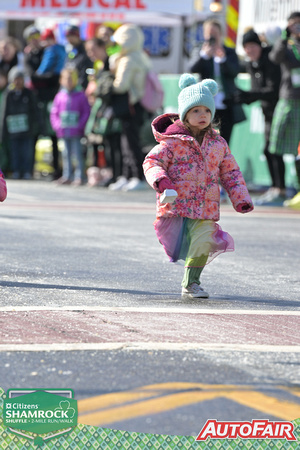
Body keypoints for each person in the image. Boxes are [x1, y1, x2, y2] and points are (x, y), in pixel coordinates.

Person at [143, 74, 253, 299]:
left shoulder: (218, 143)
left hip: (206, 207)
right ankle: (190, 278)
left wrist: (240, 198)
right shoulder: (171, 143)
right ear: (184, 114)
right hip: (177, 208)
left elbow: (230, 172)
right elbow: (152, 162)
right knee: (178, 247)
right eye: (195, 111)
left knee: (204, 241)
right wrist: (161, 182)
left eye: (206, 111)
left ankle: (191, 283)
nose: (202, 115)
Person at [234, 29, 283, 205]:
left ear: (259, 45)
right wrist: (245, 96)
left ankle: (280, 189)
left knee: (273, 149)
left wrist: (248, 95)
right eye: (246, 47)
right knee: (270, 150)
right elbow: (257, 91)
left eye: (253, 46)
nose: (250, 50)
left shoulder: (270, 60)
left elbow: (272, 90)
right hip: (267, 112)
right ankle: (277, 188)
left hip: (280, 109)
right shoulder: (251, 64)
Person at [108, 23, 151, 191]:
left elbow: (121, 85)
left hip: (130, 105)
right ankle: (127, 176)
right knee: (128, 140)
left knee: (130, 142)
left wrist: (108, 80)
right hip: (137, 106)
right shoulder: (141, 56)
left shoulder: (128, 59)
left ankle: (136, 176)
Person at [189, 18, 245, 144]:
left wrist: (223, 59)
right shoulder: (200, 50)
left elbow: (235, 72)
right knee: (204, 141)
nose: (212, 38)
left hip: (226, 104)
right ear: (205, 35)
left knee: (224, 142)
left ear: (220, 35)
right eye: (209, 34)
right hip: (206, 105)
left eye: (215, 34)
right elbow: (192, 68)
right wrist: (204, 56)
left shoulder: (229, 52)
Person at [269, 11, 300, 204]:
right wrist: (285, 37)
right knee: (276, 145)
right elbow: (275, 57)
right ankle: (279, 187)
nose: (297, 28)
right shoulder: (286, 45)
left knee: (299, 150)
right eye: (293, 25)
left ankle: (298, 189)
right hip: (288, 98)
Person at [31, 28, 66, 179]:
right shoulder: (62, 49)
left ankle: (56, 169)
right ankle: (59, 169)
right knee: (57, 138)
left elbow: (44, 67)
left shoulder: (51, 50)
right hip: (58, 92)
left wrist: (37, 76)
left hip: (50, 97)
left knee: (51, 134)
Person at [50, 67, 90, 185]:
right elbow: (54, 113)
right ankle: (67, 175)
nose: (69, 82)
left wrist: (80, 125)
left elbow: (86, 112)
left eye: (71, 79)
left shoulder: (81, 95)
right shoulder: (60, 96)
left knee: (77, 154)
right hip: (63, 131)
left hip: (76, 131)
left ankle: (80, 176)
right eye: (67, 79)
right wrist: (57, 125)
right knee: (65, 154)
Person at [0, 67, 38, 179]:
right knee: (15, 152)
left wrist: (38, 127)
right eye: (16, 79)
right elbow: (4, 113)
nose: (18, 82)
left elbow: (35, 111)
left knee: (27, 151)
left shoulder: (29, 93)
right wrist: (3, 132)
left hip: (27, 130)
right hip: (13, 129)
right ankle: (16, 170)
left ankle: (27, 170)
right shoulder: (9, 94)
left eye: (20, 79)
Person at [65, 25, 93, 90]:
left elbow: (86, 71)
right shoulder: (71, 49)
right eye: (67, 36)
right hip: (71, 87)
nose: (69, 39)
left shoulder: (85, 49)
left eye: (72, 36)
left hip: (82, 87)